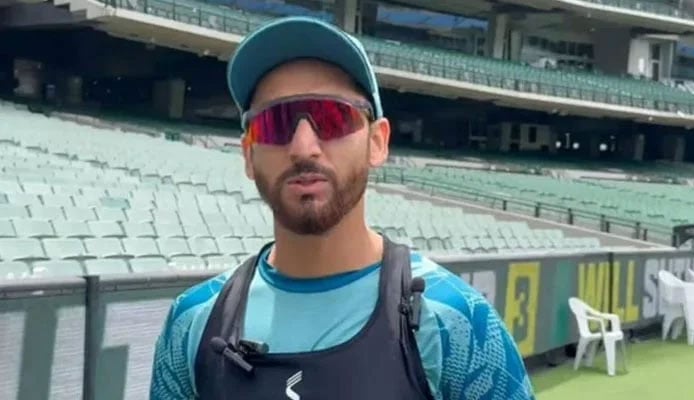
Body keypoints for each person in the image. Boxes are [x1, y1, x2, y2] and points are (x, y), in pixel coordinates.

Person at [150, 16, 535, 400]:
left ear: (377, 142)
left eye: (331, 118)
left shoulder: (457, 320)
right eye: (274, 123)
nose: (303, 147)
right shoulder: (193, 321)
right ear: (249, 154)